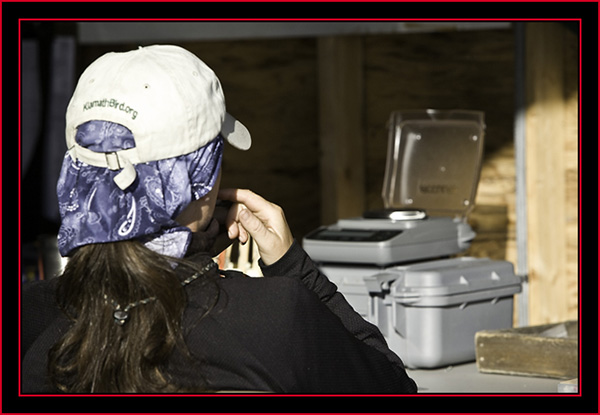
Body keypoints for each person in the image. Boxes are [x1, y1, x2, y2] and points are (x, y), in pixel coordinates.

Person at [21, 44, 418, 394]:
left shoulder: (29, 315)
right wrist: (295, 267)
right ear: (201, 179)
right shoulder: (276, 318)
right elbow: (394, 390)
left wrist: (188, 255)